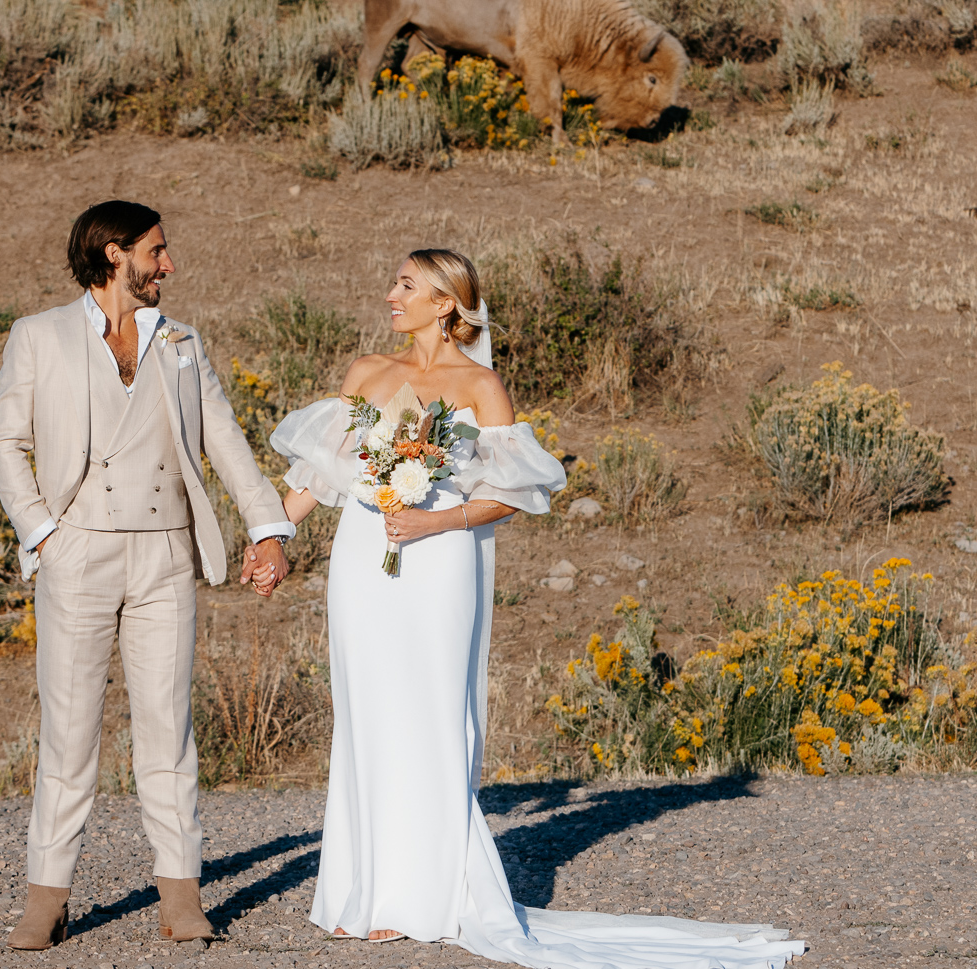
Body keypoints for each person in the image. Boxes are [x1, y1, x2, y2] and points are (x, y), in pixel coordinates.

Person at [256, 248, 809, 968]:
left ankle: (413, 894)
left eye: (406, 285)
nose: (390, 294)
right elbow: (322, 473)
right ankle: (359, 888)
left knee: (428, 708)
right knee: (365, 708)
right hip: (365, 556)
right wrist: (274, 538)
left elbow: (512, 494)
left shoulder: (481, 387)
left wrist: (437, 522)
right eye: (393, 281)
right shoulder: (367, 374)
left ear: (446, 303)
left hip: (440, 556)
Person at [0, 200, 295, 951]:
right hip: (77, 551)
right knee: (68, 731)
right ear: (114, 254)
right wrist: (45, 534)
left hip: (163, 554)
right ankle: (46, 897)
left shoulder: (182, 341)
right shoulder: (39, 335)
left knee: (168, 729)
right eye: (158, 251)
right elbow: (4, 443)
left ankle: (181, 894)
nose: (170, 265)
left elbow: (225, 439)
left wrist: (269, 527)